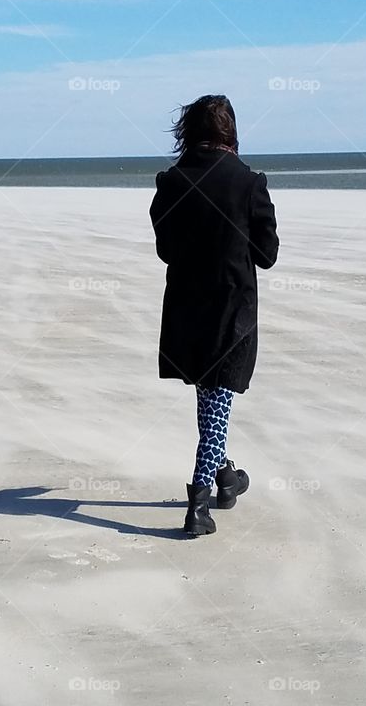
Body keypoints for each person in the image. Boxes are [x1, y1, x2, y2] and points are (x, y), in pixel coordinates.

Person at [150, 94, 279, 537]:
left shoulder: (171, 182)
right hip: (232, 311)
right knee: (218, 401)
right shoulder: (248, 182)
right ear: (230, 132)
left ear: (189, 132)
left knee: (211, 402)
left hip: (187, 310)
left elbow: (166, 250)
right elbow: (267, 255)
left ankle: (226, 478)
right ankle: (199, 505)